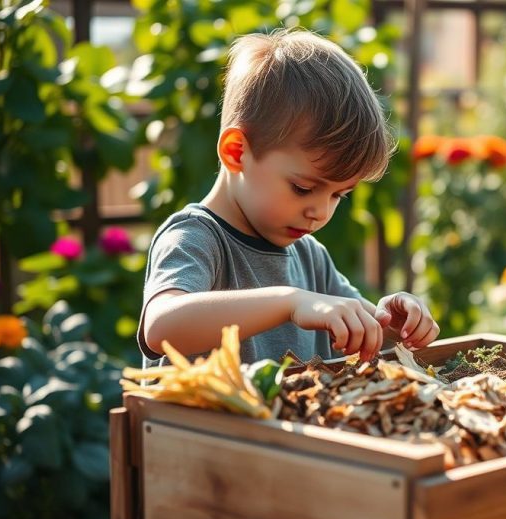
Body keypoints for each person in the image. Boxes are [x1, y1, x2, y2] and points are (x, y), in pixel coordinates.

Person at [138, 29, 439, 368]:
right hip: (196, 422)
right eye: (303, 188)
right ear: (237, 152)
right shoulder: (196, 238)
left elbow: (365, 327)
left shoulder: (310, 257)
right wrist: (290, 302)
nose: (320, 212)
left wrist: (395, 323)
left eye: (339, 195)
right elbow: (161, 326)